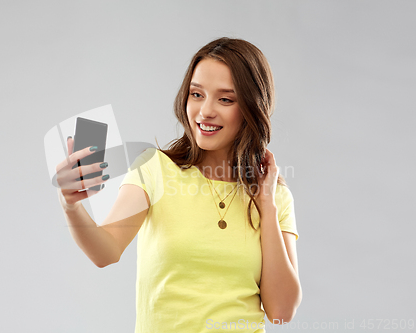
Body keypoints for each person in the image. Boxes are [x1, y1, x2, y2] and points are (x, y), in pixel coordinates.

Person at [55, 37, 301, 333]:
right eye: (197, 94)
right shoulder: (154, 169)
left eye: (225, 99)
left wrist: (267, 205)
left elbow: (281, 312)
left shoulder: (273, 195)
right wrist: (71, 205)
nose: (205, 111)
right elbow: (105, 252)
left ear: (252, 107)